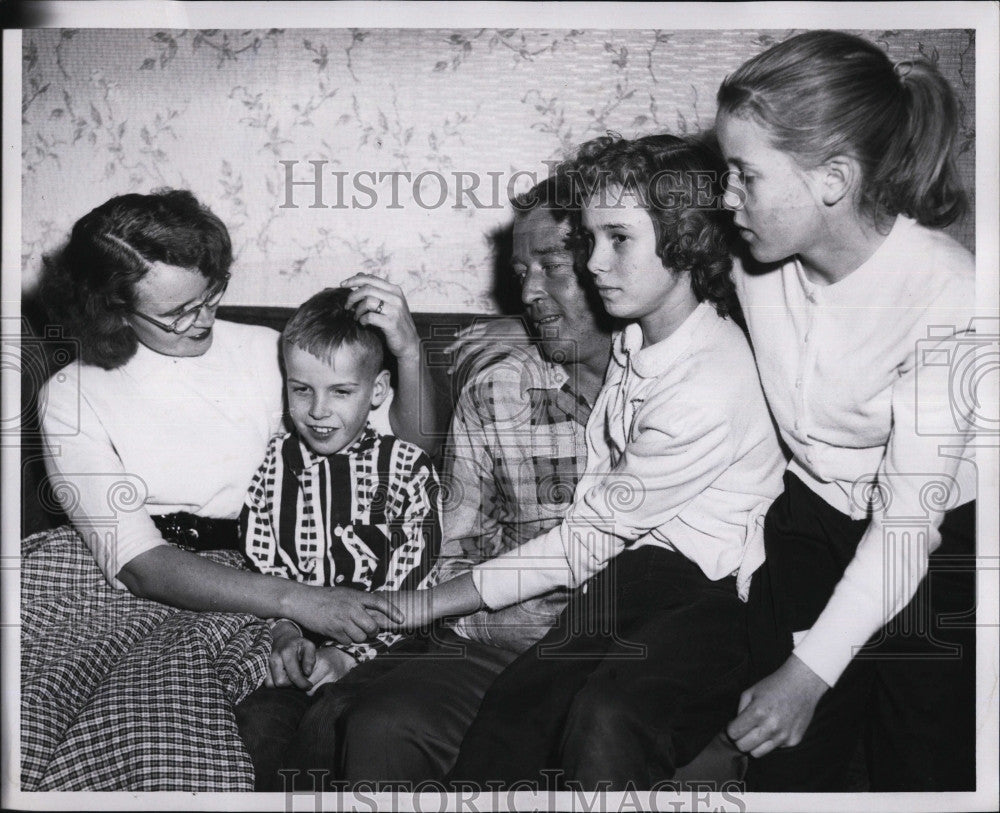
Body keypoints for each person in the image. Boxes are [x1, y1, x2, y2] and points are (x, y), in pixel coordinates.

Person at [390, 134, 785, 789]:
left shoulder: (708, 385)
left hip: (717, 600)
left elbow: (583, 544)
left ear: (685, 238)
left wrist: (423, 603)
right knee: (518, 707)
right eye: (591, 238)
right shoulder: (637, 331)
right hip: (637, 576)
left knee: (606, 718)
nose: (596, 262)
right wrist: (520, 325)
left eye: (619, 239)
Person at [24, 190, 429, 790]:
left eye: (210, 294)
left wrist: (409, 350)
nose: (205, 319)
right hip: (122, 578)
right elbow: (137, 564)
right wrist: (298, 602)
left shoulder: (268, 349)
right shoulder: (71, 394)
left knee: (158, 731)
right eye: (178, 313)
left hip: (254, 567)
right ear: (112, 308)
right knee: (35, 706)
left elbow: (406, 454)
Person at [714, 30, 978, 791]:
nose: (725, 195)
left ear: (832, 179)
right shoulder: (753, 253)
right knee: (785, 766)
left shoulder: (951, 295)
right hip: (811, 524)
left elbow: (906, 524)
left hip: (933, 546)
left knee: (921, 766)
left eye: (744, 174)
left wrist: (810, 671)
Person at [232, 287, 442, 789]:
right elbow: (264, 569)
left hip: (392, 648)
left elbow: (412, 590)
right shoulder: (272, 466)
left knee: (336, 724)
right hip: (303, 645)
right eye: (301, 389)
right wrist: (286, 634)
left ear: (378, 389)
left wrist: (351, 656)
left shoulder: (405, 468)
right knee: (259, 722)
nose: (318, 410)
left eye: (341, 392)